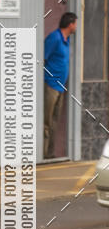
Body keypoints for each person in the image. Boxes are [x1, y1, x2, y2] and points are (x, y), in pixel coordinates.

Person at [43, 12, 77, 158]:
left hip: (60, 87)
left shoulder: (66, 39)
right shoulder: (54, 38)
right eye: (75, 23)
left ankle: (50, 155)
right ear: (70, 24)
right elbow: (42, 58)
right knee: (46, 121)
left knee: (54, 121)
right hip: (50, 85)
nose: (76, 26)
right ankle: (42, 155)